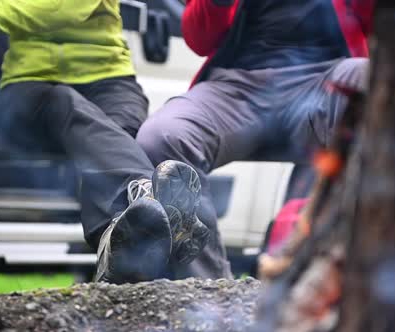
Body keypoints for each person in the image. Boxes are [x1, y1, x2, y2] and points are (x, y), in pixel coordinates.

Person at [0, 0, 211, 283]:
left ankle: (117, 246)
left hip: (110, 81)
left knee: (116, 134)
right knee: (71, 109)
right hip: (31, 88)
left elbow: (67, 6)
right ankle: (149, 195)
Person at [136, 0, 374, 279]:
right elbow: (198, 38)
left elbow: (387, 22)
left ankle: (357, 275)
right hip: (238, 87)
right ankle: (207, 290)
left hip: (326, 80)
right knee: (162, 137)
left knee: (373, 81)